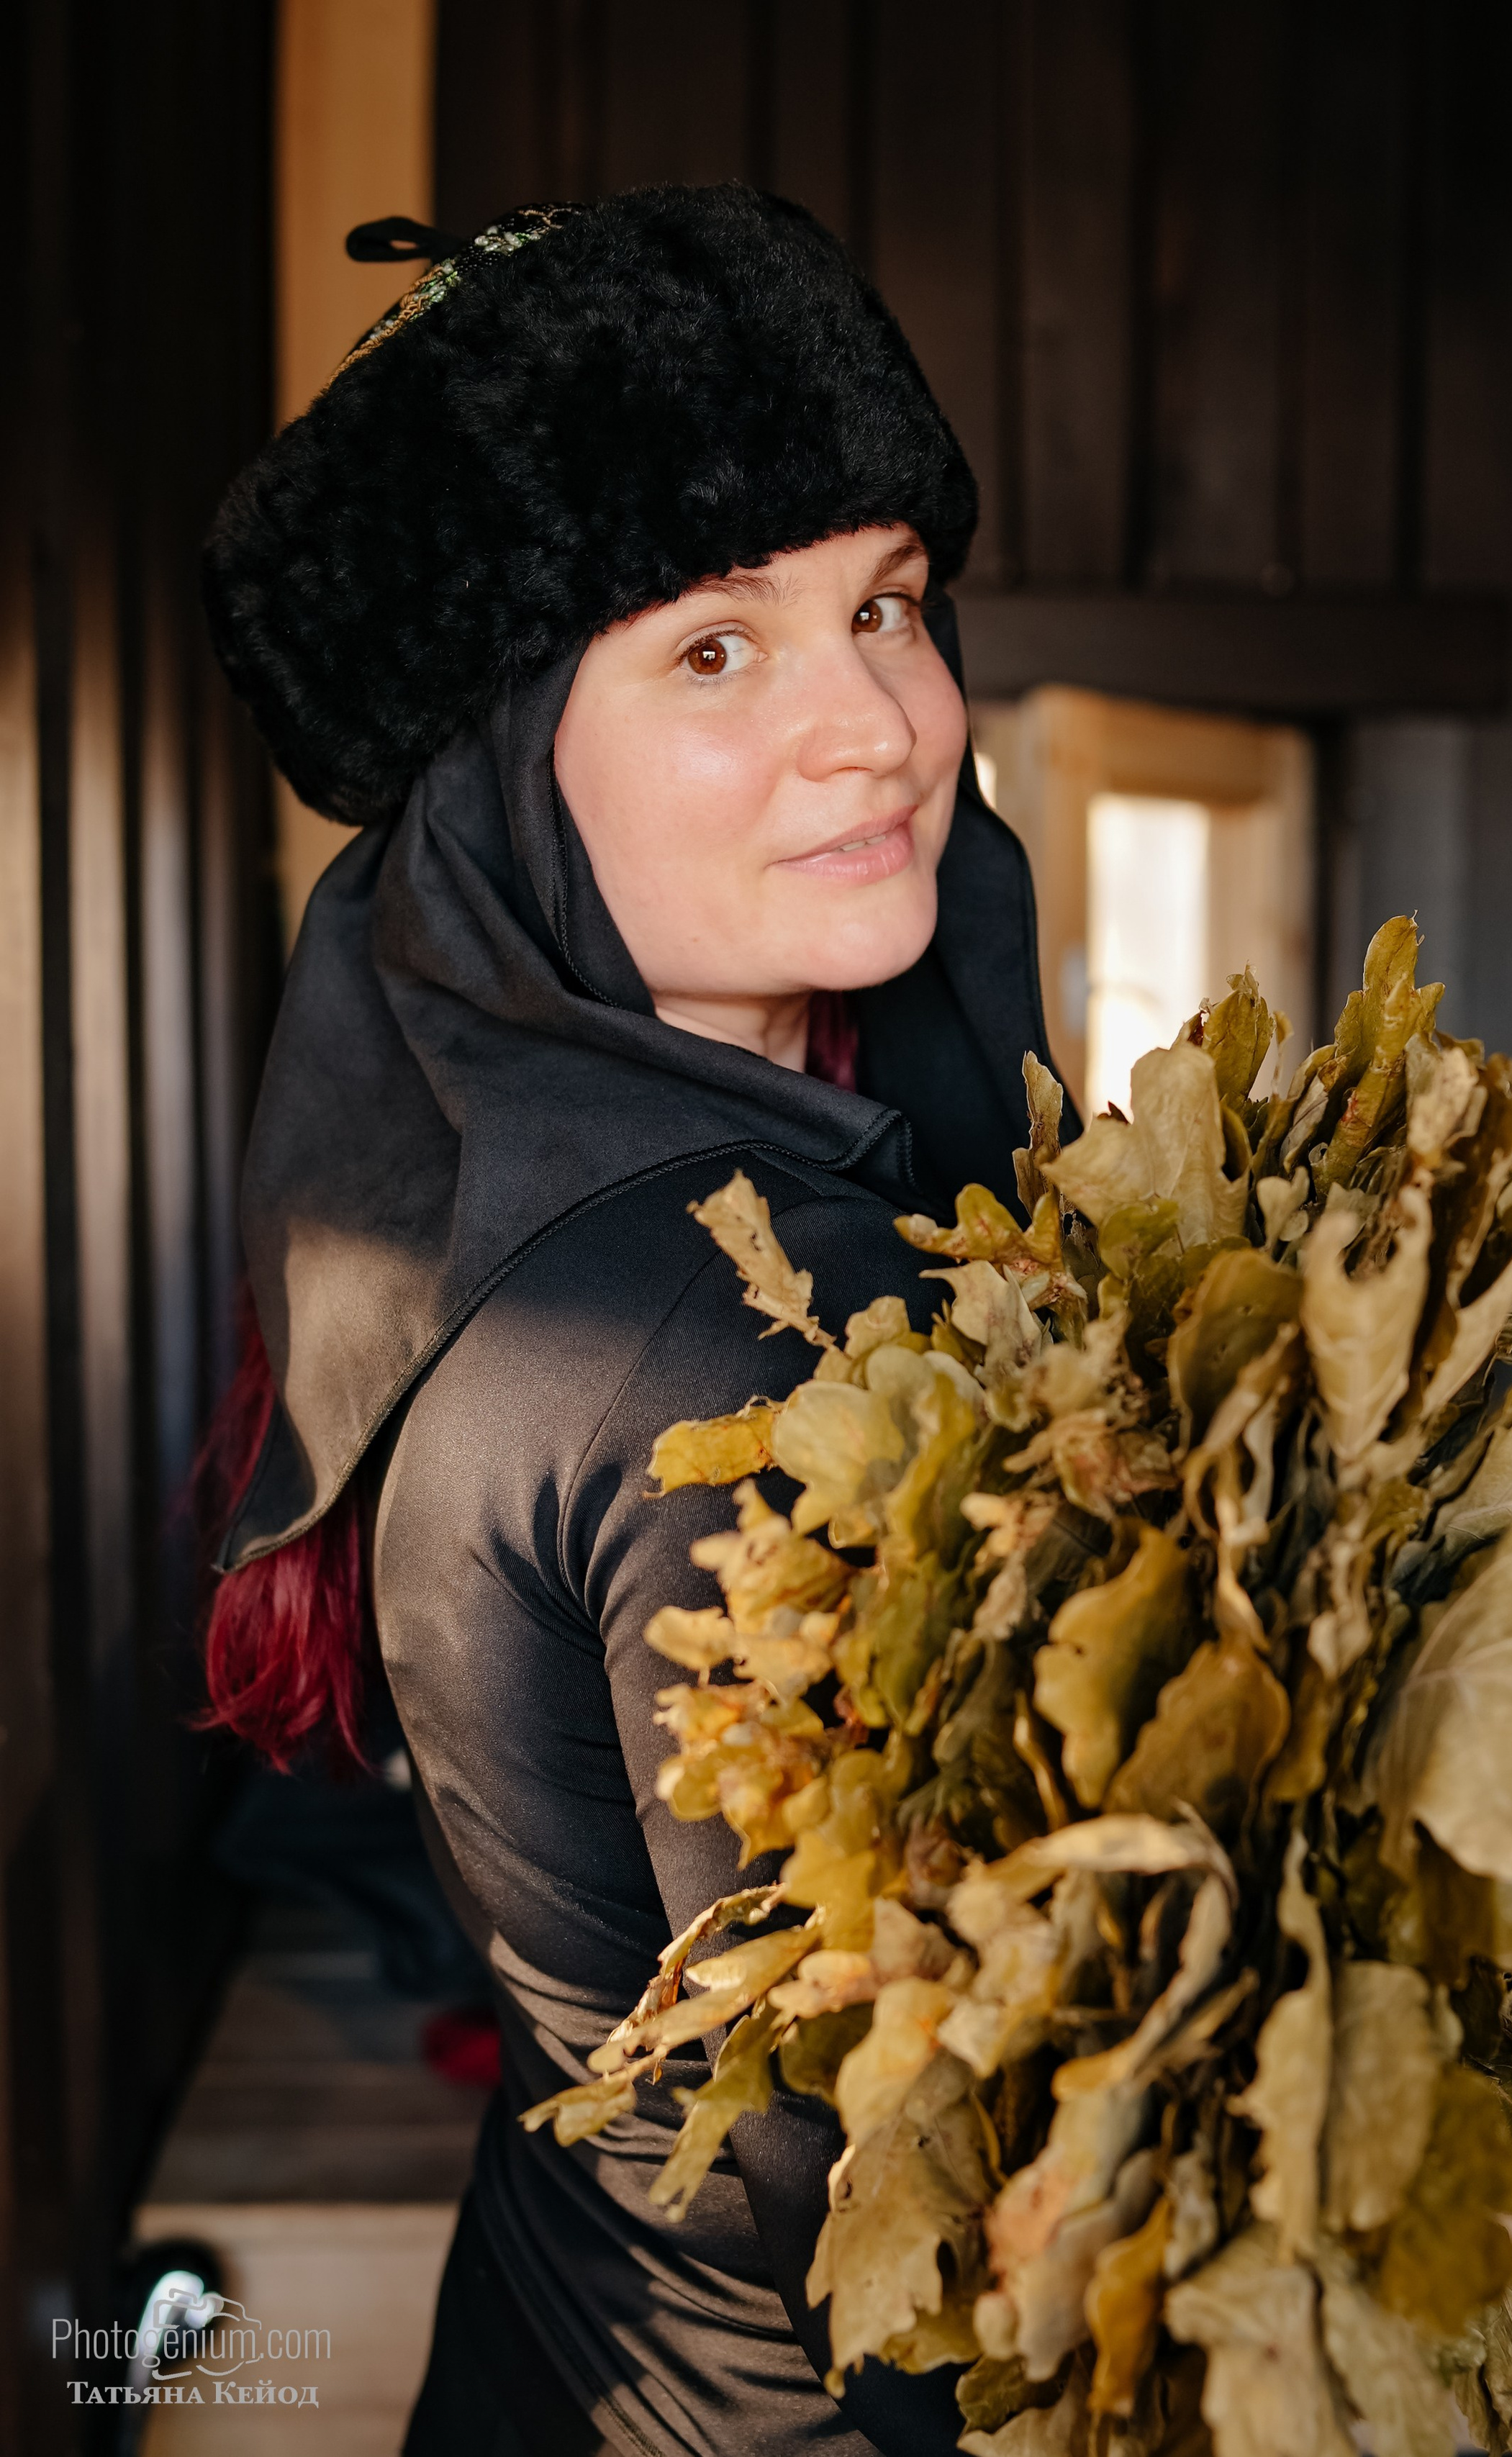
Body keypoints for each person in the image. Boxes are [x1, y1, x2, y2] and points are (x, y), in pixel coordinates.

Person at [199, 186, 1054, 2457]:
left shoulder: (564, 1237)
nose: (872, 724)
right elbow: (922, 2257)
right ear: (505, 783)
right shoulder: (740, 1326)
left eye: (888, 604)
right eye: (714, 647)